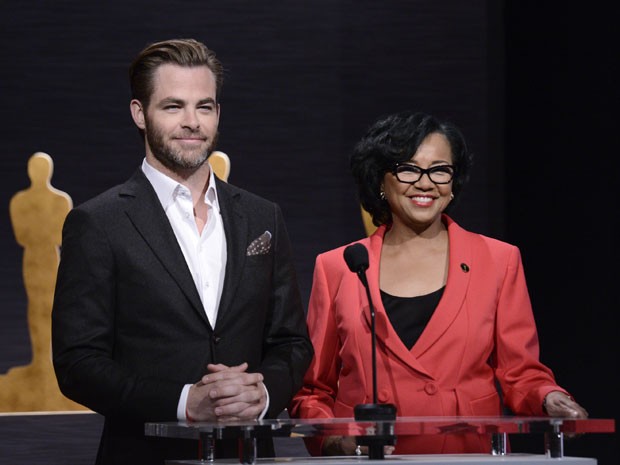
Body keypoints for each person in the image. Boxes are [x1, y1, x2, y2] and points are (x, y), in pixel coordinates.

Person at [51, 38, 313, 465]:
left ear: (218, 114)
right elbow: (78, 363)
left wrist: (262, 393)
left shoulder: (263, 216)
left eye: (204, 107)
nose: (192, 122)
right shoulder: (98, 223)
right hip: (143, 454)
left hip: (248, 454)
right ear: (140, 113)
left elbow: (292, 342)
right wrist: (183, 402)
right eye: (173, 106)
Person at [289, 110, 588, 456]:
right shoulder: (338, 267)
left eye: (440, 170)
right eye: (408, 169)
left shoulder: (498, 260)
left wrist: (549, 397)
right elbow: (312, 391)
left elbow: (520, 373)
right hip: (368, 459)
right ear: (380, 181)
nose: (426, 182)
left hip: (464, 455)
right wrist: (334, 440)